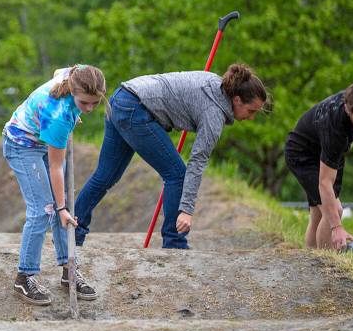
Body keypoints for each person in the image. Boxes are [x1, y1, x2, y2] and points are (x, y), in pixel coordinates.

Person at [75, 64, 267, 250]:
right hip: (136, 108)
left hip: (121, 97)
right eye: (251, 111)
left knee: (105, 175)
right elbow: (197, 162)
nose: (251, 117)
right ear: (237, 100)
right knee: (177, 174)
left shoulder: (214, 82)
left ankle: (72, 232)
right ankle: (174, 242)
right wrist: (186, 210)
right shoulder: (214, 115)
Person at [2, 65, 107, 306]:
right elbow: (56, 167)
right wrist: (59, 208)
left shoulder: (76, 74)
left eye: (95, 103)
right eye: (84, 103)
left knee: (65, 208)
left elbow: (60, 69)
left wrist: (64, 208)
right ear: (72, 91)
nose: (90, 109)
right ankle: (24, 276)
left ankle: (69, 270)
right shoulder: (59, 115)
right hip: (21, 144)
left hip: (42, 137)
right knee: (45, 210)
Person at [284, 80, 353, 251]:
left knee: (318, 214)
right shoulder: (336, 128)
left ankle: (309, 260)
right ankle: (325, 264)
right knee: (334, 211)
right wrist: (337, 228)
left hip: (325, 152)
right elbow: (324, 183)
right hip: (302, 155)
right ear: (348, 108)